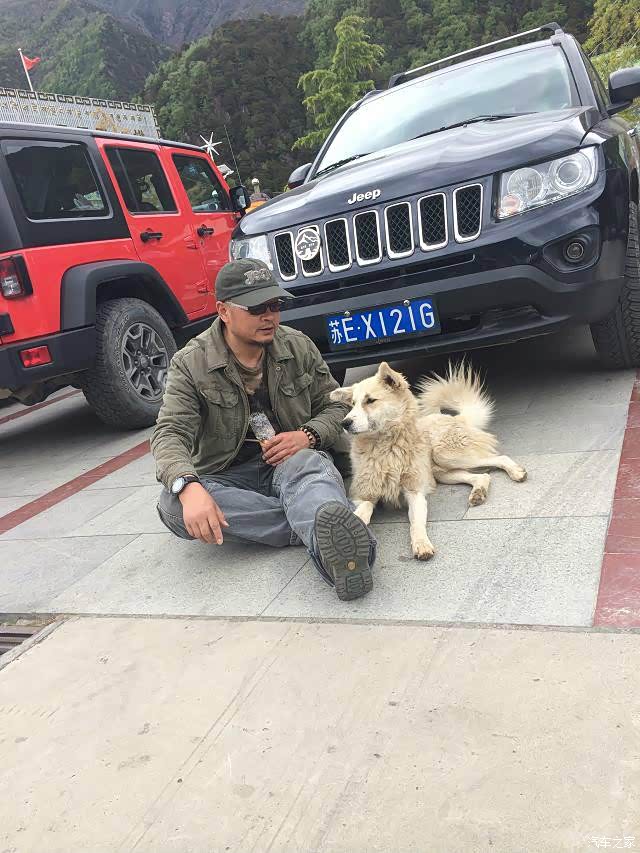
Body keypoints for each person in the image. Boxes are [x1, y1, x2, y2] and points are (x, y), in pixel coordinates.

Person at [151, 258, 376, 601]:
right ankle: (318, 523)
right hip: (229, 475)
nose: (269, 316)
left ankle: (342, 553)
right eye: (256, 308)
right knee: (173, 504)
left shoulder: (297, 345)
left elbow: (338, 405)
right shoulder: (190, 363)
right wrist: (187, 485)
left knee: (310, 464)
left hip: (291, 461)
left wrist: (308, 435)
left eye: (275, 305)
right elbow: (170, 432)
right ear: (223, 311)